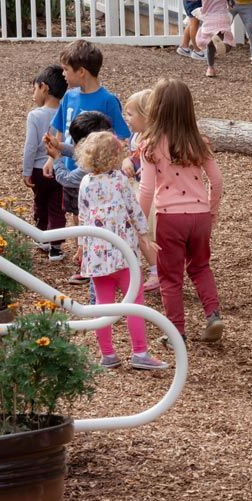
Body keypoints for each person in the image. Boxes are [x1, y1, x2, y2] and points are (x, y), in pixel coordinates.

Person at [137, 79, 225, 343]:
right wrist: (211, 212)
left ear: (157, 108)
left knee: (170, 277)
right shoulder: (199, 142)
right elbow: (217, 180)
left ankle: (176, 332)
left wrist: (140, 225)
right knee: (200, 268)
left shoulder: (150, 145)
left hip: (169, 218)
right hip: (198, 217)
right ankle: (213, 314)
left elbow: (146, 190)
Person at [75, 130, 168, 372]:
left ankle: (107, 355)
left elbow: (83, 217)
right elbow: (134, 210)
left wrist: (81, 247)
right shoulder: (119, 180)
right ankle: (140, 352)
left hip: (96, 255)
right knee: (134, 304)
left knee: (103, 307)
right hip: (122, 254)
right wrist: (145, 237)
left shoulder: (85, 182)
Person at [45, 40, 131, 278]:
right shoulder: (69, 98)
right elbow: (60, 130)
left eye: (66, 70)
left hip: (97, 174)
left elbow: (121, 136)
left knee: (98, 216)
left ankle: (104, 257)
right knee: (78, 215)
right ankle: (85, 259)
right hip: (73, 169)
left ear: (81, 72)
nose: (63, 74)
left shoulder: (107, 100)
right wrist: (53, 157)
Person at [44, 110, 115, 284]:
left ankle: (92, 274)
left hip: (94, 218)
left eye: (75, 143)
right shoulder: (105, 156)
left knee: (95, 245)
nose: (74, 146)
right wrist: (60, 146)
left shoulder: (87, 171)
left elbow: (66, 179)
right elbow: (79, 153)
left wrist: (57, 158)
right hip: (113, 218)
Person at [23, 64, 66, 262]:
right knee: (57, 207)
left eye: (34, 88)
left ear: (43, 87)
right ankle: (55, 247)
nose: (34, 93)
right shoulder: (66, 113)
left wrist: (26, 170)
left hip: (40, 170)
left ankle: (42, 236)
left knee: (40, 202)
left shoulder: (35, 115)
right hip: (59, 167)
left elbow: (30, 146)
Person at [122, 89, 159, 292]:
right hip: (136, 187)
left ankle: (157, 270)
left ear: (146, 116)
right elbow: (129, 155)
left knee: (145, 232)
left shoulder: (154, 140)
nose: (126, 119)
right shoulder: (136, 135)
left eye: (130, 114)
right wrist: (126, 160)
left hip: (149, 194)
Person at [193, 0, 236, 77]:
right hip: (222, 17)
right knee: (228, 42)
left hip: (209, 17)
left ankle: (210, 69)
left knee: (209, 45)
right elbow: (232, 3)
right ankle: (223, 47)